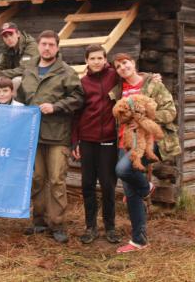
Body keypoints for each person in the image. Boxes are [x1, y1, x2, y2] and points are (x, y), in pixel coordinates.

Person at [18, 30, 84, 243]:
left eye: (51, 45)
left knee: (56, 180)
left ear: (57, 47)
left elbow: (78, 97)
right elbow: (21, 99)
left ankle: (57, 224)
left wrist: (56, 106)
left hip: (57, 135)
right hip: (32, 134)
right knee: (37, 179)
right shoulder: (29, 70)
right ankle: (38, 221)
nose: (47, 48)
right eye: (43, 44)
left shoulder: (66, 71)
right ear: (38, 45)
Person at [111, 52, 178, 253]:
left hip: (148, 139)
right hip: (124, 141)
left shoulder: (153, 85)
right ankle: (138, 241)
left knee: (123, 170)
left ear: (133, 63)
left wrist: (144, 117)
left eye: (125, 63)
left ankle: (147, 187)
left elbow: (170, 112)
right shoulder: (117, 88)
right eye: (118, 66)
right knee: (131, 194)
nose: (123, 67)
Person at [71, 44, 121, 245]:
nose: (96, 62)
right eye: (92, 59)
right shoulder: (82, 83)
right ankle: (90, 226)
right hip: (87, 140)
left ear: (105, 59)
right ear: (86, 61)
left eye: (100, 58)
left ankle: (110, 226)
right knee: (87, 184)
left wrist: (153, 78)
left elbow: (135, 75)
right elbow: (75, 114)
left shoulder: (114, 77)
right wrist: (74, 141)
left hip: (109, 139)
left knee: (108, 184)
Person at [0, 22, 38, 102]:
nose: (9, 38)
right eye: (5, 36)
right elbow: (0, 65)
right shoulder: (6, 47)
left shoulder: (31, 45)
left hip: (31, 77)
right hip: (12, 75)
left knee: (16, 81)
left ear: (18, 34)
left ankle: (12, 109)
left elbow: (24, 69)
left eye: (11, 34)